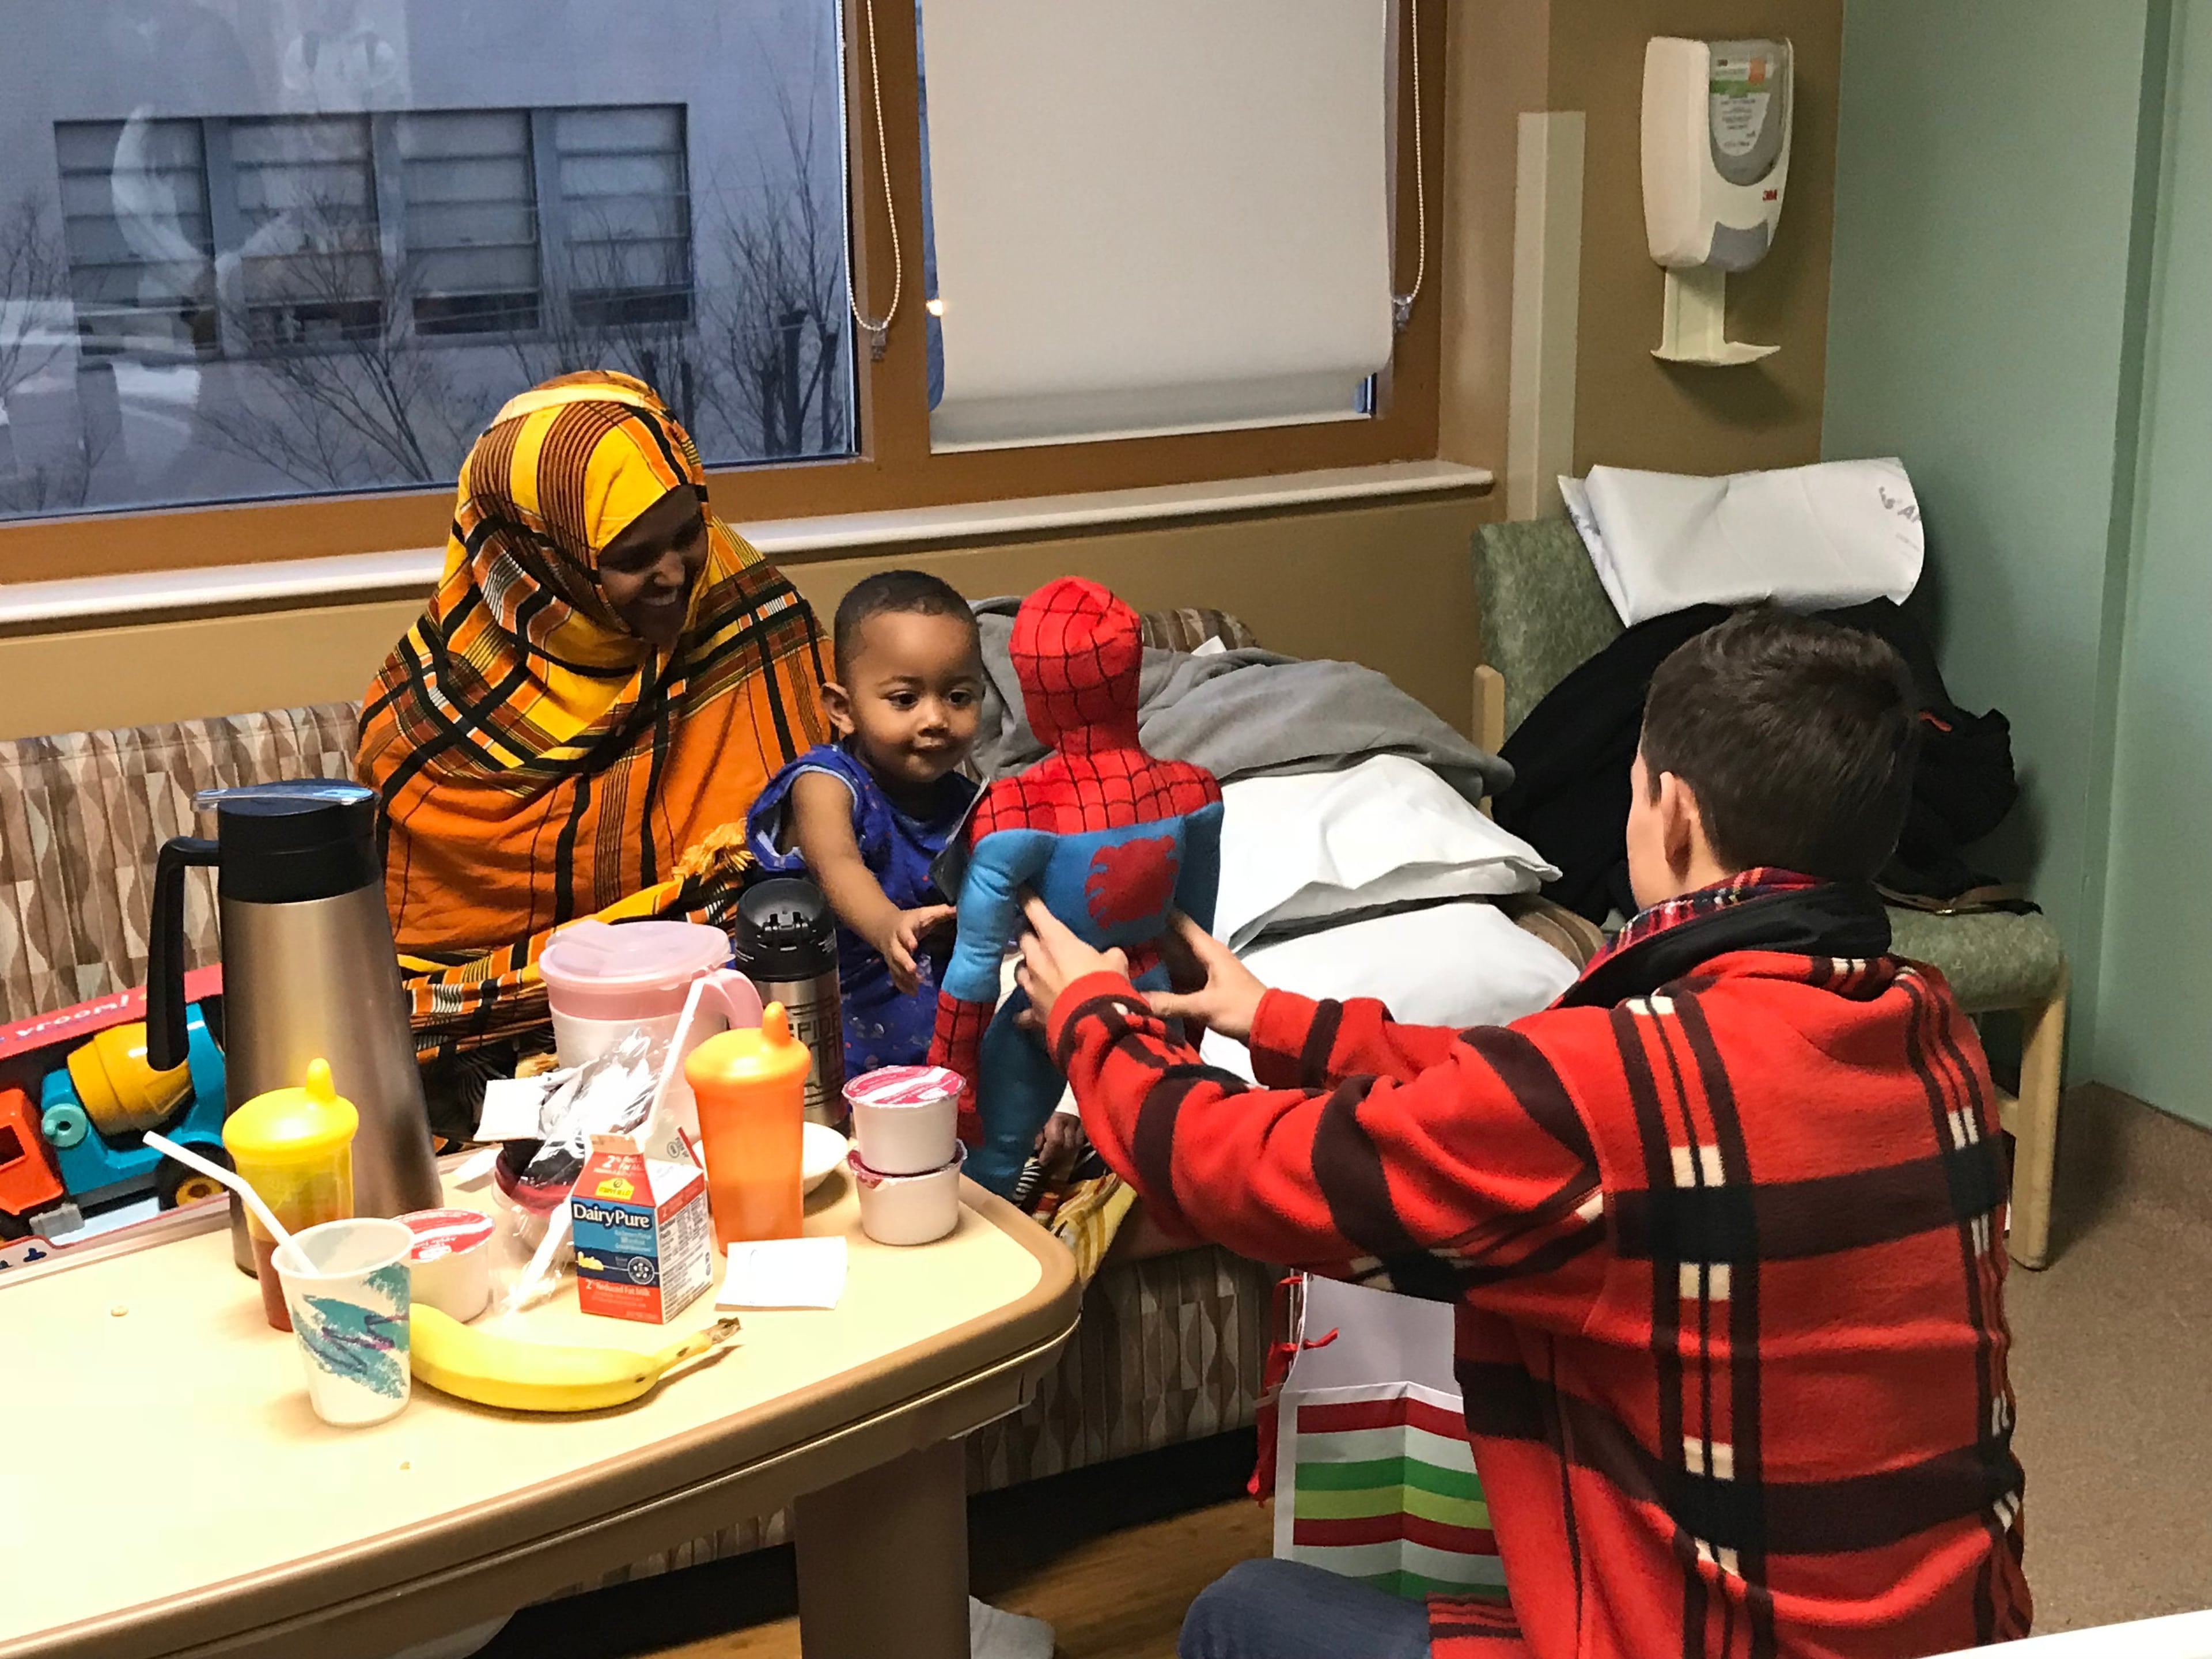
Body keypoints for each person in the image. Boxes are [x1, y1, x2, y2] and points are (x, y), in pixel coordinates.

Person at [1014, 609, 2031, 1659]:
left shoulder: (1616, 1090)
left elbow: (1242, 1172)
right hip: (1958, 1638)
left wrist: (1094, 1021)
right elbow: (1528, 1093)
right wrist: (1278, 1022)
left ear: (1669, 814)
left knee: (1245, 1614)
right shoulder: (1926, 1019)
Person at [356, 370, 827, 1127]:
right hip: (504, 1062)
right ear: (540, 559)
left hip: (743, 1017)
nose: (677, 572)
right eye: (636, 556)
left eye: (687, 533)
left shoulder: (743, 602)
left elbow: (820, 817)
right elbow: (407, 994)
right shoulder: (422, 722)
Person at [745, 571, 984, 1077]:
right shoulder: (827, 783)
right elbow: (838, 867)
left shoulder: (971, 800)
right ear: (843, 710)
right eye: (905, 699)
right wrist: (887, 925)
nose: (936, 718)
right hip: (824, 997)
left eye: (960, 697)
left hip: (933, 1003)